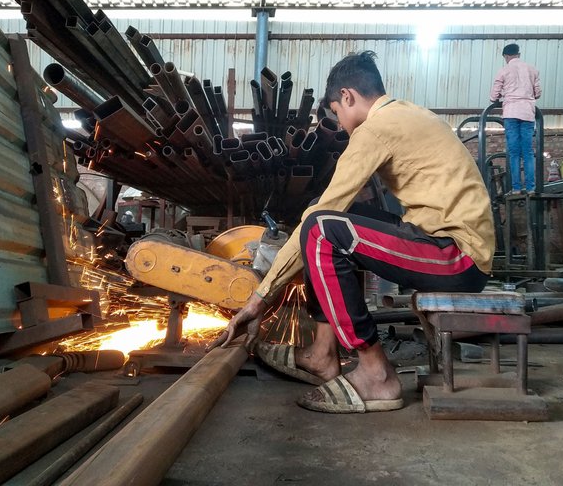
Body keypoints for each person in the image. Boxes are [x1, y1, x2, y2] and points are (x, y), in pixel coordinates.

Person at [209, 51, 495, 413]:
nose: (339, 121)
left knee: (321, 229)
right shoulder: (408, 113)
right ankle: (322, 353)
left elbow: (322, 215)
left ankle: (377, 376)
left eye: (336, 111)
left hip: (456, 259)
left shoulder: (377, 128)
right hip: (453, 248)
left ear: (348, 96)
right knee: (338, 220)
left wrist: (260, 298)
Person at [489, 43, 542, 195]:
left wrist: (500, 96)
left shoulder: (503, 71)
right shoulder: (533, 70)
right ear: (518, 54)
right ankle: (531, 188)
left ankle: (516, 188)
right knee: (528, 152)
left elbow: (493, 96)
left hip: (511, 113)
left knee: (513, 152)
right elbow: (537, 93)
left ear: (506, 56)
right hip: (527, 114)